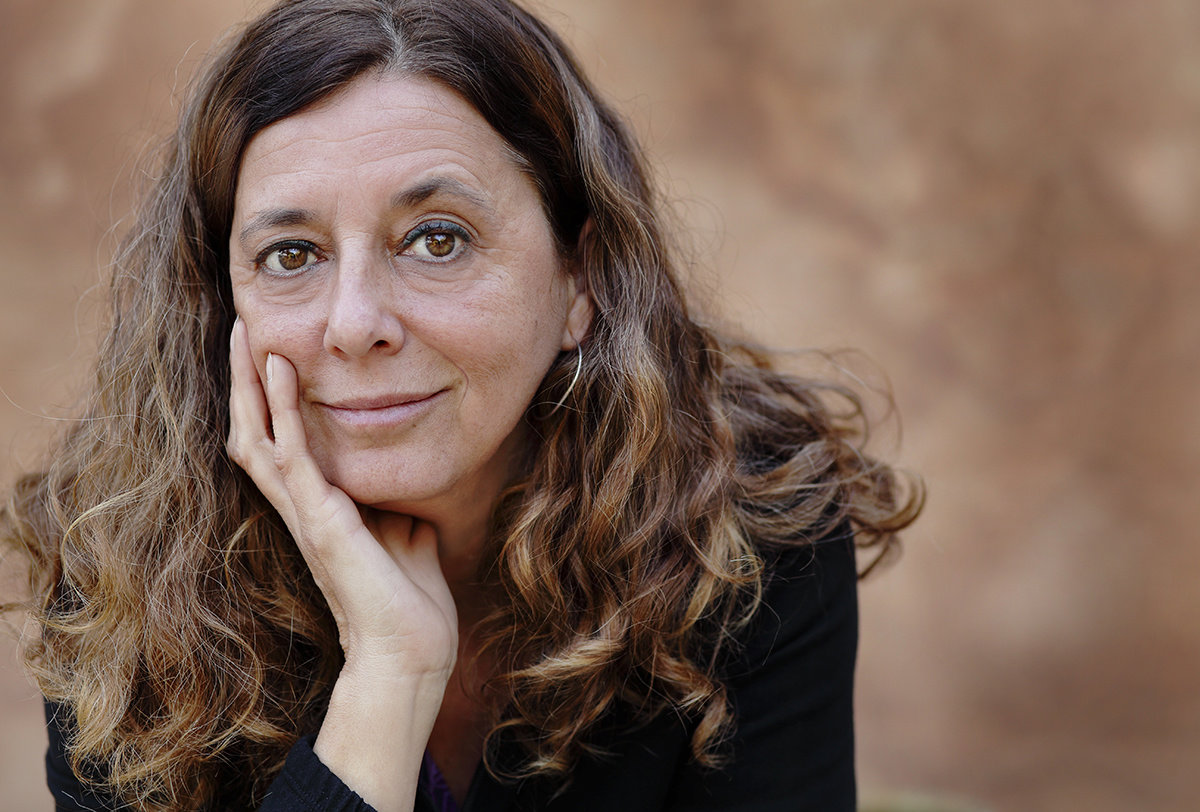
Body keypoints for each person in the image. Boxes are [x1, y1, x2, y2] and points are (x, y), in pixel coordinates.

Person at [1, 0, 921, 810]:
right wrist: (389, 675)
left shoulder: (749, 528)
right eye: (291, 254)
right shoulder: (124, 573)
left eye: (437, 240)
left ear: (581, 279)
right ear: (220, 303)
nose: (354, 324)